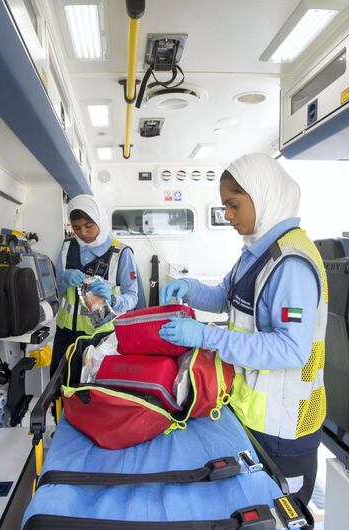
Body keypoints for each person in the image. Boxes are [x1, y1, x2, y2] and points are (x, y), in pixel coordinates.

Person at [157, 153, 328, 506]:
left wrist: (206, 336)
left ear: (262, 196)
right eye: (224, 207)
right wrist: (188, 286)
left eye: (233, 205)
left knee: (280, 515)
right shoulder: (257, 252)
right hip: (253, 412)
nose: (228, 216)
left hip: (285, 427)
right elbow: (225, 296)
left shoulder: (290, 263)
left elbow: (290, 350)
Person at [52, 194, 141, 376]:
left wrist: (113, 298)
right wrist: (63, 279)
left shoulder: (121, 253)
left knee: (91, 391)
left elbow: (132, 297)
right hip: (65, 335)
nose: (83, 233)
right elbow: (54, 289)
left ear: (99, 220)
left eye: (88, 226)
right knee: (59, 386)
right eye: (76, 228)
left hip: (101, 338)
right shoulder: (67, 247)